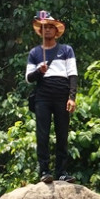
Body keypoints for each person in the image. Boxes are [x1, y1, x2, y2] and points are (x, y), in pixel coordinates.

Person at [25, 10, 78, 183]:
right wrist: (39, 72)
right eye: (44, 27)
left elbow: (73, 74)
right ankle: (44, 171)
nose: (47, 30)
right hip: (43, 96)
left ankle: (62, 172)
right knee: (43, 134)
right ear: (40, 31)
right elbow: (28, 78)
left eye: (50, 27)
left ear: (56, 31)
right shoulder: (35, 53)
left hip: (62, 94)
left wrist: (72, 97)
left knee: (62, 134)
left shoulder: (66, 50)